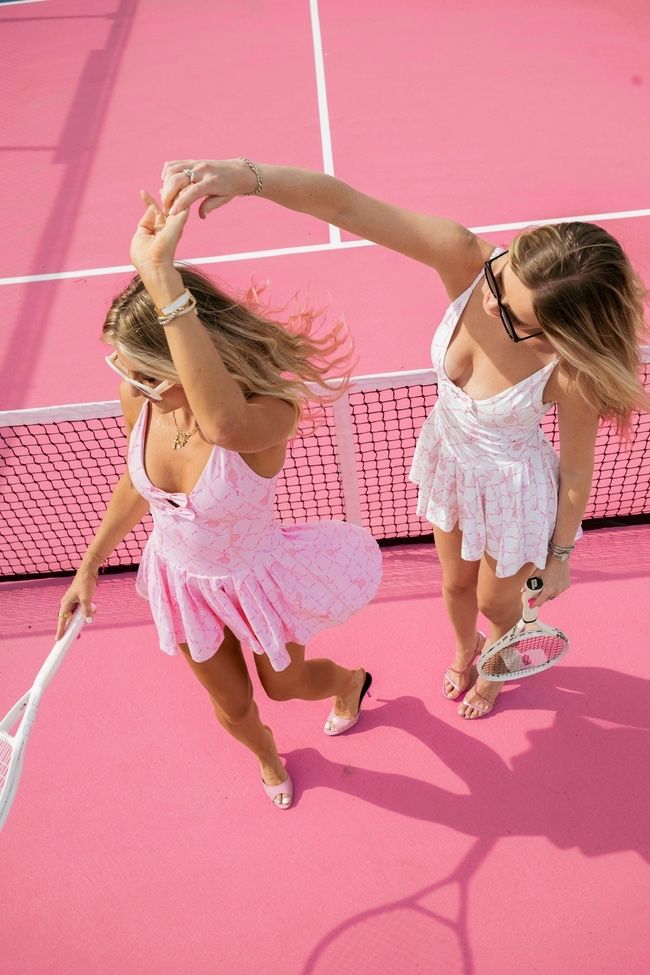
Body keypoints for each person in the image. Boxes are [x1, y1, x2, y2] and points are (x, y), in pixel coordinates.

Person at [159, 158, 648, 719]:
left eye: (511, 315)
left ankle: (499, 661)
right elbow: (345, 205)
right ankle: (468, 650)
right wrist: (248, 179)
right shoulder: (467, 259)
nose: (489, 302)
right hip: (451, 460)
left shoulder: (570, 369)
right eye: (500, 280)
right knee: (455, 587)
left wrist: (560, 557)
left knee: (495, 600)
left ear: (561, 328)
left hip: (514, 489)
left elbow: (576, 473)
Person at [56, 191, 382, 809]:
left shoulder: (267, 413)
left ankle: (350, 682)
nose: (131, 385)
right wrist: (90, 562)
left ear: (183, 353)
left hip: (255, 577)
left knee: (283, 688)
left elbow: (222, 427)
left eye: (143, 371)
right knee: (232, 704)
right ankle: (268, 757)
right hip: (183, 581)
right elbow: (137, 484)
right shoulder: (144, 402)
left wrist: (161, 275)